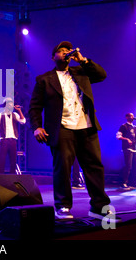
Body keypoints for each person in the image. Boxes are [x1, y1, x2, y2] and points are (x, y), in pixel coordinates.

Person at [29, 41, 118, 222]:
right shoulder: (44, 79)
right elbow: (34, 107)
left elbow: (102, 75)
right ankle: (62, 206)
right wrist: (37, 126)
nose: (64, 53)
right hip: (61, 128)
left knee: (94, 167)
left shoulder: (81, 72)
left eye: (66, 51)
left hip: (86, 126)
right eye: (60, 51)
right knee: (62, 169)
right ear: (53, 57)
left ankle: (99, 207)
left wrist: (82, 59)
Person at [0, 98, 26, 173]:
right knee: (2, 159)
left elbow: (23, 121)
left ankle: (12, 176)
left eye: (11, 103)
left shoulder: (15, 115)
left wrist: (19, 110)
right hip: (4, 140)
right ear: (5, 104)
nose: (11, 105)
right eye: (9, 103)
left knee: (13, 160)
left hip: (13, 140)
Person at [116, 113, 136, 190]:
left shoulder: (135, 127)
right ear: (127, 117)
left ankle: (133, 183)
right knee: (128, 166)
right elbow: (118, 136)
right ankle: (124, 183)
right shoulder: (124, 126)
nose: (132, 117)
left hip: (134, 149)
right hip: (127, 148)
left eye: (133, 116)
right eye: (130, 116)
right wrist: (127, 139)